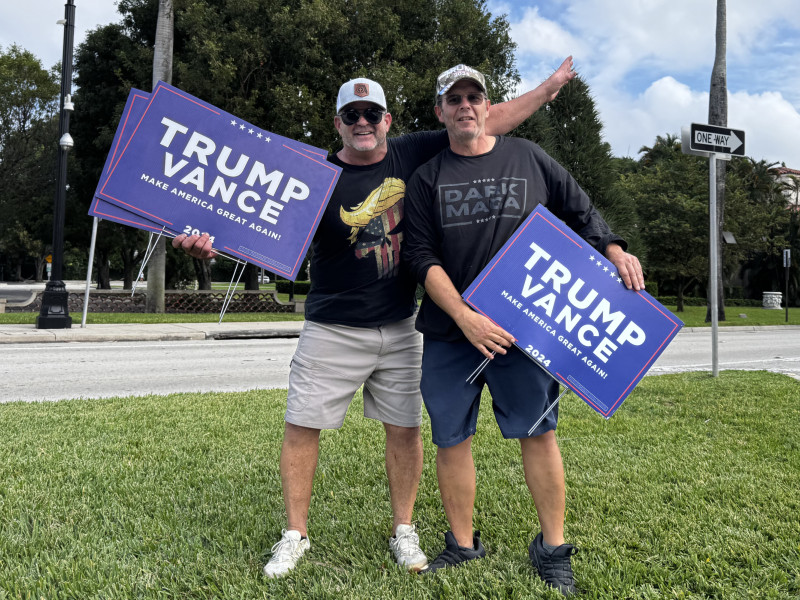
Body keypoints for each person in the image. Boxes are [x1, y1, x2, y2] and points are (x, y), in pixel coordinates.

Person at [173, 58, 576, 578]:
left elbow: (488, 120)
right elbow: (257, 226)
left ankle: (403, 530)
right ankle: (294, 534)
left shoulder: (413, 153)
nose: (363, 122)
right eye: (352, 114)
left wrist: (548, 88)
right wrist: (210, 246)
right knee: (303, 426)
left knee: (405, 429)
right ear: (337, 122)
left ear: (389, 120)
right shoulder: (313, 175)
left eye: (372, 113)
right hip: (332, 325)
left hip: (402, 326)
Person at [403, 64, 644, 595]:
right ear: (440, 111)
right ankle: (462, 545)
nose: (465, 105)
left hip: (528, 333)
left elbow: (581, 209)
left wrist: (615, 249)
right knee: (451, 440)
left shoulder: (529, 157)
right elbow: (419, 256)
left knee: (539, 434)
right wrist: (465, 317)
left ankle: (553, 549)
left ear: (488, 106)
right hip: (452, 335)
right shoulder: (428, 178)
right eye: (454, 99)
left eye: (474, 96)